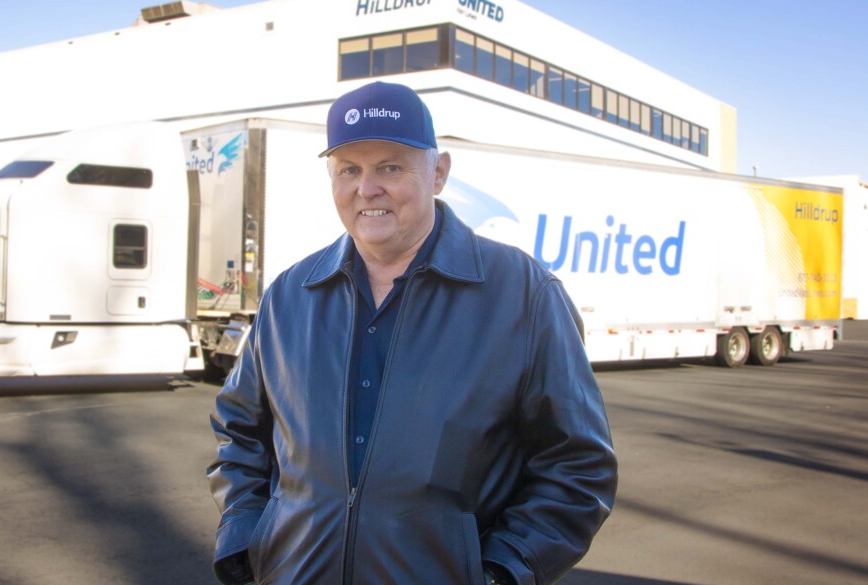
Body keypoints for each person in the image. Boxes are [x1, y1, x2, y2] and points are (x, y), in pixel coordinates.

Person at [207, 81, 617, 585]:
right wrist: (248, 538)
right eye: (349, 170)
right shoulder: (290, 295)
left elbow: (577, 466)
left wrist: (502, 572)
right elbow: (239, 432)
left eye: (391, 166)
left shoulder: (522, 295)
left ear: (439, 172)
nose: (367, 188)